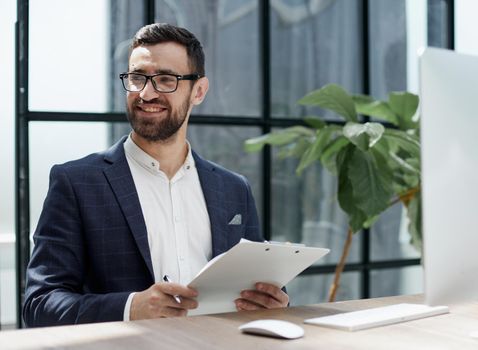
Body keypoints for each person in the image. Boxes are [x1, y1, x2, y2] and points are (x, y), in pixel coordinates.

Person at [23, 23, 288, 327]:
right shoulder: (75, 182)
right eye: (137, 78)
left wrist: (274, 300)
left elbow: (256, 286)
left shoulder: (233, 189)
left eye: (165, 80)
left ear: (198, 91)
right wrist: (131, 307)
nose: (146, 93)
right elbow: (39, 305)